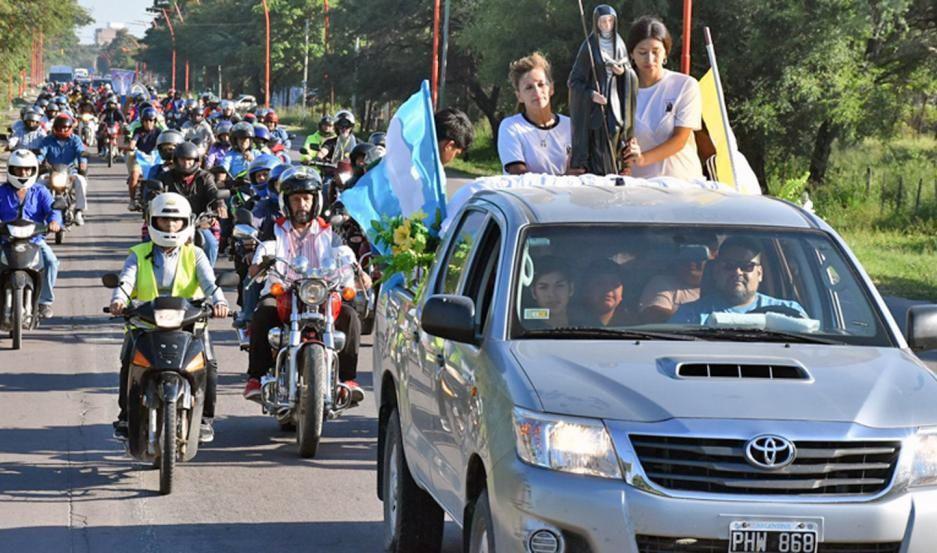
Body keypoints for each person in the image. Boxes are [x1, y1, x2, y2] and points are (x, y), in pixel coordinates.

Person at [109, 193, 228, 442]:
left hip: (190, 322)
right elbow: (125, 280)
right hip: (145, 322)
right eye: (164, 221)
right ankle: (125, 418)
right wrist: (118, 300)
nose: (171, 226)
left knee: (210, 364)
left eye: (176, 221)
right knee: (128, 363)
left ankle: (205, 419)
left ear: (186, 223)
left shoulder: (194, 254)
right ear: (153, 221)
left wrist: (219, 302)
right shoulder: (138, 254)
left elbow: (210, 283)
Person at [243, 170, 364, 404]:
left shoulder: (329, 230)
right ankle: (255, 378)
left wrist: (358, 271)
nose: (302, 204)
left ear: (316, 200)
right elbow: (262, 255)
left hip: (322, 293)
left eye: (307, 198)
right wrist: (262, 261)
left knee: (350, 316)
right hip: (284, 292)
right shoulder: (275, 228)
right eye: (296, 199)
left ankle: (348, 380)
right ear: (286, 202)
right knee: (263, 313)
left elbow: (345, 255)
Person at [622, 16, 704, 181]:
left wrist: (643, 158)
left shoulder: (685, 85)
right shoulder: (621, 91)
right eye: (642, 52)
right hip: (638, 187)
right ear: (631, 54)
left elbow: (680, 139)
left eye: (655, 51)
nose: (649, 59)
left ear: (666, 51)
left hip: (681, 185)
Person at [568, 4, 638, 176]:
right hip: (595, 106)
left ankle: (615, 169)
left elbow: (630, 72)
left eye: (610, 21)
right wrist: (591, 94)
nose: (607, 25)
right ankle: (599, 173)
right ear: (596, 23)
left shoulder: (619, 43)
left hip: (614, 100)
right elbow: (574, 81)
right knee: (598, 137)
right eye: (603, 21)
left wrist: (623, 73)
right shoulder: (589, 46)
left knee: (615, 130)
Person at [670, 237, 807, 325]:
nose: (737, 272)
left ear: (759, 273)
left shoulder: (789, 314)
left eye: (747, 266)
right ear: (716, 272)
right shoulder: (690, 316)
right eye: (729, 265)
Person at [0, 150, 61, 319]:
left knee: (51, 261)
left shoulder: (41, 191)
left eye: (27, 170)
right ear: (11, 170)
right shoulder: (2, 192)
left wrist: (54, 222)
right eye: (19, 170)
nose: (23, 173)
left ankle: (44, 301)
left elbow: (53, 210)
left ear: (34, 170)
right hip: (5, 241)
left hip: (34, 240)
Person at [498, 52, 572, 175]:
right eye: (529, 87)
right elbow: (519, 175)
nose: (537, 91)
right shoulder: (511, 127)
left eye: (541, 84)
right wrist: (565, 179)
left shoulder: (570, 126)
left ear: (551, 88)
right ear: (519, 96)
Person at [157, 142, 226, 266]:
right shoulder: (165, 177)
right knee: (150, 242)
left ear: (196, 161)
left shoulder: (205, 177)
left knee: (211, 244)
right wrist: (150, 199)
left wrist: (220, 204)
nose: (186, 163)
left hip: (198, 222)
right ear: (176, 160)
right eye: (183, 160)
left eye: (190, 160)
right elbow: (156, 193)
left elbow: (213, 192)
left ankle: (208, 276)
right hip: (171, 222)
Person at [638, 239, 716, 323]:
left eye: (699, 256)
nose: (691, 262)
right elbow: (653, 315)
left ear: (714, 259)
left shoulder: (723, 288)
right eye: (685, 257)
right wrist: (699, 319)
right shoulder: (662, 283)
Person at [36, 114, 89, 225]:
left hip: (70, 172)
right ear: (55, 127)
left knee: (81, 181)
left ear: (70, 128)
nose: (62, 130)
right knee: (39, 183)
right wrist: (36, 163)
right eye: (60, 127)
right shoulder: (47, 140)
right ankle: (37, 213)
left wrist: (82, 164)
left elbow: (80, 152)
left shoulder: (75, 140)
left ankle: (79, 211)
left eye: (65, 127)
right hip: (52, 172)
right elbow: (41, 153)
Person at [570, 258, 634, 327]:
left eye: (615, 284)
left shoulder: (633, 327)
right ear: (586, 290)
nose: (608, 289)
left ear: (622, 294)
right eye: (600, 283)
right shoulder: (570, 323)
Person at [126, 107, 163, 210]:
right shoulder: (138, 131)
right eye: (146, 120)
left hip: (156, 158)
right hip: (140, 158)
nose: (148, 123)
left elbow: (163, 142)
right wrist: (131, 146)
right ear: (142, 121)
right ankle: (132, 201)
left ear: (155, 121)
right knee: (134, 175)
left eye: (151, 120)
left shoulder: (159, 132)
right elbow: (133, 142)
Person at [527, 256, 574, 328]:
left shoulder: (586, 326)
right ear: (533, 292)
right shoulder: (527, 330)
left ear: (571, 289)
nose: (552, 294)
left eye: (559, 286)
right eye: (543, 287)